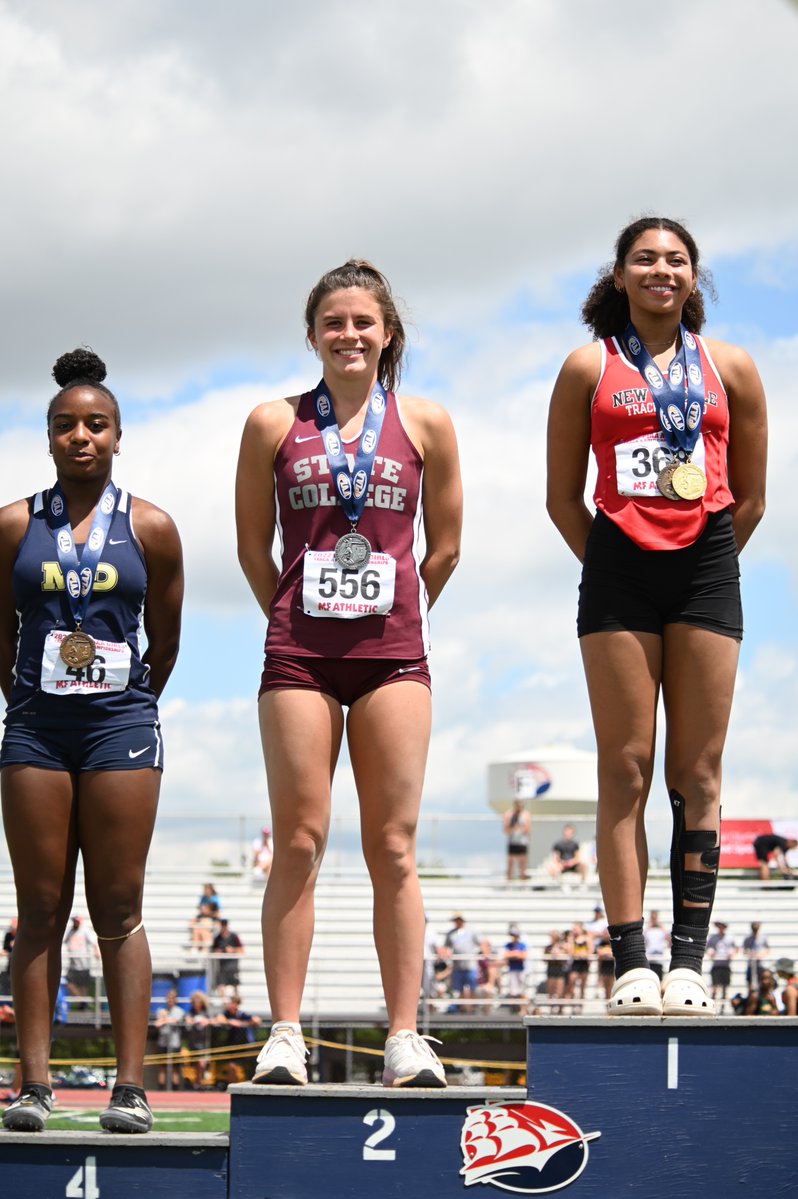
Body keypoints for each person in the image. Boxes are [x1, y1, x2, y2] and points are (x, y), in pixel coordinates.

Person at [235, 260, 461, 1088]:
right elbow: (252, 549)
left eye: (364, 322)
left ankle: (405, 1034)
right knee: (298, 838)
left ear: (388, 332)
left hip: (394, 655)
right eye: (334, 322)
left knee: (393, 845)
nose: (350, 334)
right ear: (312, 335)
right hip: (299, 654)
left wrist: (395, 608)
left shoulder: (427, 422)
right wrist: (296, 614)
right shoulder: (271, 423)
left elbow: (445, 547)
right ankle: (285, 1033)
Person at [547, 217, 767, 1019]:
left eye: (676, 260)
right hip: (616, 577)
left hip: (706, 568)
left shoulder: (732, 367)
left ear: (694, 278)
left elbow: (752, 497)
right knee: (626, 767)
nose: (661, 271)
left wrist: (692, 556)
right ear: (620, 276)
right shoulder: (587, 367)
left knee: (698, 773)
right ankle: (632, 960)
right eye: (646, 259)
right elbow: (559, 497)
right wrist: (618, 563)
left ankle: (688, 962)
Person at [0, 348, 183, 1133]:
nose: (82, 436)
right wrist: (24, 701)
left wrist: (130, 705)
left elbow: (165, 640)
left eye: (96, 424)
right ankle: (33, 1086)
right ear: (47, 437)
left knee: (118, 904)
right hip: (36, 728)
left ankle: (131, 1088)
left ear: (117, 436)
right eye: (66, 425)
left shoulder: (151, 526)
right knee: (40, 906)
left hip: (120, 726)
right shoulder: (13, 524)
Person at [63, 914, 99, 1005]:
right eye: (74, 921)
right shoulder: (70, 931)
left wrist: (96, 951)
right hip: (72, 965)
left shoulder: (85, 931)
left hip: (84, 965)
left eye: (77, 922)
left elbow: (94, 942)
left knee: (83, 987)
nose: (75, 923)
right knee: (68, 984)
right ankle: (83, 1002)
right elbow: (63, 941)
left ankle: (83, 1006)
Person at [154, 988, 184, 1089]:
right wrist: (165, 1019)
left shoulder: (179, 1011)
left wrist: (164, 1019)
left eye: (172, 998)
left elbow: (174, 1020)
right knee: (162, 1067)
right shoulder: (161, 1010)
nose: (169, 1000)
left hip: (174, 1043)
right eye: (168, 998)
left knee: (175, 1068)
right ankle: (161, 1089)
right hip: (163, 1043)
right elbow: (157, 1024)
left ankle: (175, 1090)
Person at [706, 920, 736, 1011]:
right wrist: (710, 952)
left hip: (725, 965)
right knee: (715, 988)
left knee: (724, 988)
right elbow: (707, 948)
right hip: (716, 965)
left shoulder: (730, 938)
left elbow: (736, 949)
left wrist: (732, 953)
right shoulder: (713, 938)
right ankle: (712, 1007)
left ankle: (722, 1009)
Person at [211, 918, 244, 998]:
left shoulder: (234, 936)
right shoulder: (217, 938)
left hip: (233, 966)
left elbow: (241, 950)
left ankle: (235, 1002)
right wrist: (219, 952)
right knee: (221, 985)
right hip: (222, 967)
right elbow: (213, 951)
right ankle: (224, 1004)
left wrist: (232, 950)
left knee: (235, 985)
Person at [502, 925, 528, 1014]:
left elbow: (524, 956)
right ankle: (513, 1010)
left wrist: (513, 954)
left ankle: (523, 1010)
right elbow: (505, 955)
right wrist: (516, 954)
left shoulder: (522, 945)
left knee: (522, 991)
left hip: (520, 970)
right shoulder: (508, 945)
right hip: (512, 970)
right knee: (513, 992)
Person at [503, 800, 531, 880]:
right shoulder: (508, 815)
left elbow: (528, 830)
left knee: (522, 863)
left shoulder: (526, 815)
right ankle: (509, 881)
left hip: (522, 842)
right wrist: (513, 827)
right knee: (510, 862)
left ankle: (523, 882)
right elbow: (505, 830)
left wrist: (521, 827)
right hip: (512, 842)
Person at [741, 921, 769, 987]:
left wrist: (761, 954)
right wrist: (749, 954)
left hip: (760, 963)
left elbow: (767, 949)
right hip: (751, 963)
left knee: (761, 979)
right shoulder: (747, 939)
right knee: (749, 980)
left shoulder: (763, 938)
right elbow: (744, 950)